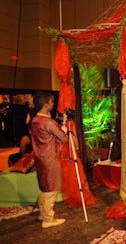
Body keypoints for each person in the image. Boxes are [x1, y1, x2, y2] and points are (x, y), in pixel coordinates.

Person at [31, 92, 68, 228]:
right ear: (46, 105)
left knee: (44, 187)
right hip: (50, 158)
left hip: (40, 157)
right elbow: (63, 138)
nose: (53, 104)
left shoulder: (35, 120)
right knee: (51, 188)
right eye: (52, 102)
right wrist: (63, 128)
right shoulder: (48, 122)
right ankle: (48, 219)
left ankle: (43, 213)